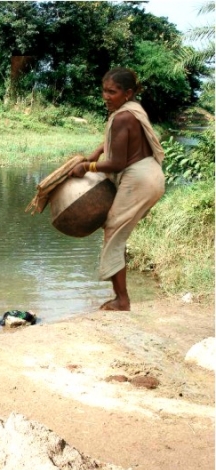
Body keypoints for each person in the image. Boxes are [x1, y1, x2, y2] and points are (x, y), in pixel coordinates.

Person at [68, 67, 165, 312]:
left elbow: (118, 163)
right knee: (116, 232)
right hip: (150, 175)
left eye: (112, 91)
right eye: (104, 90)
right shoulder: (132, 110)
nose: (106, 96)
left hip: (139, 180)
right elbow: (115, 139)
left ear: (128, 93)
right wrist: (97, 151)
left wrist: (87, 166)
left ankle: (122, 300)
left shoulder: (123, 116)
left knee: (113, 232)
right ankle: (120, 296)